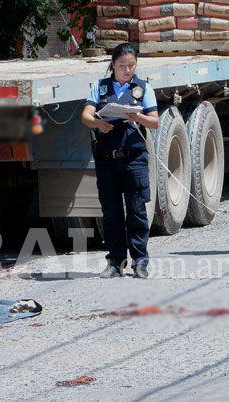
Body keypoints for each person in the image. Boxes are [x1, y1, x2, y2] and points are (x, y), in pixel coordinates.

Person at [80, 42, 159, 279]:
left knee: (136, 212)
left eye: (131, 65)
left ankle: (140, 261)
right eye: (122, 65)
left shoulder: (143, 88)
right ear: (113, 64)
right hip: (107, 159)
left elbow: (154, 122)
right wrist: (97, 123)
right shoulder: (100, 87)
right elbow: (85, 115)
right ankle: (115, 261)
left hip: (133, 158)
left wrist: (138, 116)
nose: (127, 70)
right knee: (111, 213)